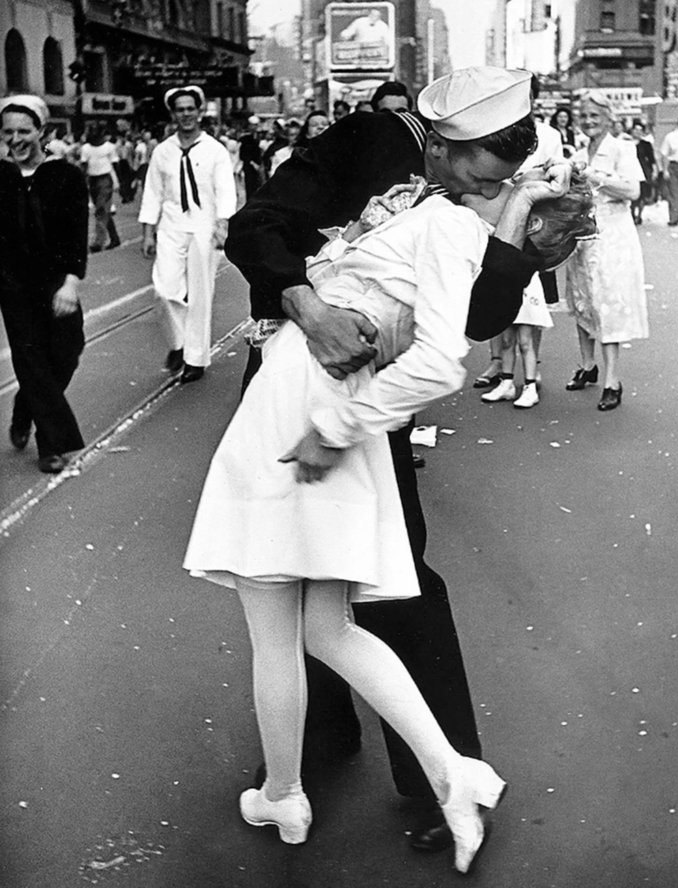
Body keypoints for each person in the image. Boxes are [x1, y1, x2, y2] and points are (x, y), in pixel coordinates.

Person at [184, 69, 579, 874]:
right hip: (314, 368)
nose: (481, 186)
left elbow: (472, 324)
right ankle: (319, 749)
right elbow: (257, 226)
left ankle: (427, 775)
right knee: (314, 605)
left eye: (497, 178)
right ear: (436, 140)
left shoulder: (491, 200)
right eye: (473, 169)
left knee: (381, 586)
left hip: (361, 400)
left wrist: (521, 254)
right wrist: (308, 305)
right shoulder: (367, 141)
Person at [0, 95, 88, 473]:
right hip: (12, 285)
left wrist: (70, 283)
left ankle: (25, 405)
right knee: (31, 359)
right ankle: (51, 445)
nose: (16, 139)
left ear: (42, 132)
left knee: (68, 351)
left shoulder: (65, 176)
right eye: (8, 132)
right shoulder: (0, 177)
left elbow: (75, 234)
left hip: (55, 281)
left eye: (24, 131)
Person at [138, 85, 237, 384]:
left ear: (199, 112)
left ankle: (195, 358)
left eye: (190, 109)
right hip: (170, 227)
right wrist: (147, 233)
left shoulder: (215, 150)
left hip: (204, 228)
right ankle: (178, 344)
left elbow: (225, 190)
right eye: (180, 110)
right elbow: (152, 193)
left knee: (200, 295)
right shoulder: (162, 151)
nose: (186, 115)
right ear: (173, 114)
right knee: (164, 290)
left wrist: (222, 226)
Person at [473, 84, 566, 398]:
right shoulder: (488, 131)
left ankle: (531, 368)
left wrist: (557, 169)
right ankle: (498, 364)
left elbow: (558, 172)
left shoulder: (550, 136)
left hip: (531, 223)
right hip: (492, 215)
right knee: (491, 288)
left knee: (527, 307)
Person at [563, 90, 648, 411]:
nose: (588, 121)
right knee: (583, 301)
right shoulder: (579, 151)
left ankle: (613, 381)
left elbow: (632, 190)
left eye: (594, 116)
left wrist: (593, 176)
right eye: (583, 116)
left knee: (609, 303)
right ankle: (588, 365)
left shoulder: (622, 149)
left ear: (609, 118)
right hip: (582, 235)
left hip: (613, 236)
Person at [80, 124, 121, 252]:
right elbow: (84, 165)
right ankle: (114, 238)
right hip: (93, 180)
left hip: (105, 179)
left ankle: (98, 241)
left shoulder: (109, 147)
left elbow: (116, 163)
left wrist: (118, 181)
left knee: (101, 209)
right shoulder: (86, 148)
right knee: (103, 211)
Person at [630, 120, 656, 225]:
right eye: (635, 130)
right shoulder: (626, 144)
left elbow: (651, 159)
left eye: (640, 130)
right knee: (632, 193)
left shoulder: (646, 144)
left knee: (642, 194)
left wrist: (654, 171)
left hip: (643, 170)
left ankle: (639, 215)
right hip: (630, 170)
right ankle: (632, 213)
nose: (637, 132)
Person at [239, 116, 265, 199]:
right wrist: (252, 163)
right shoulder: (245, 139)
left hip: (259, 167)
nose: (254, 127)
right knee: (250, 189)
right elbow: (242, 155)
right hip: (249, 168)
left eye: (256, 125)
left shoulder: (259, 138)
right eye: (253, 125)